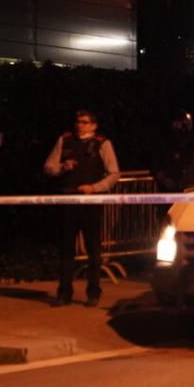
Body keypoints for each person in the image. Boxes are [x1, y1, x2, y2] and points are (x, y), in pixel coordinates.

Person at [44, 108, 120, 307]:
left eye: (85, 122)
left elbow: (113, 174)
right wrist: (62, 167)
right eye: (78, 121)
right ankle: (64, 292)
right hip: (67, 200)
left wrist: (94, 188)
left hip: (90, 202)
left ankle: (93, 292)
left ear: (94, 125)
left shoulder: (103, 143)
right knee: (66, 248)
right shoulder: (65, 139)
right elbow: (48, 167)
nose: (80, 125)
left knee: (93, 249)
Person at [154, 111, 194, 192]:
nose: (182, 126)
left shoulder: (193, 141)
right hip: (167, 187)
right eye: (178, 122)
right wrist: (164, 179)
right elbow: (155, 163)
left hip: (188, 186)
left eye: (185, 123)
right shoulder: (164, 142)